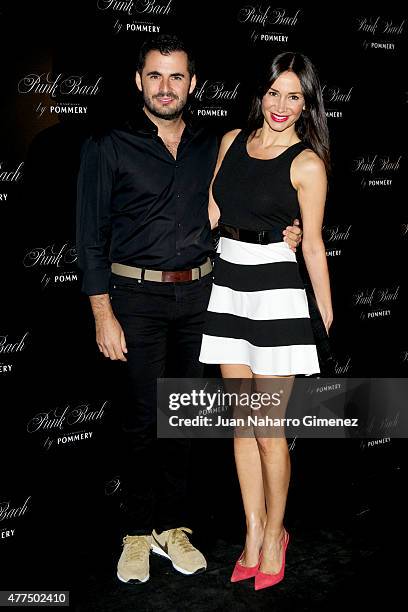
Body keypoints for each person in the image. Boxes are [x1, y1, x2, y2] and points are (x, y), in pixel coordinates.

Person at [76, 34, 303, 585]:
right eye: (155, 75)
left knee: (183, 417)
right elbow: (90, 233)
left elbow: (253, 197)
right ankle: (136, 532)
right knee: (139, 420)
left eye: (176, 77)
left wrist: (286, 234)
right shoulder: (108, 145)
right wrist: (102, 312)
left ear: (192, 84)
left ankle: (174, 527)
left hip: (203, 296)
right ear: (139, 81)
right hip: (134, 300)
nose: (166, 87)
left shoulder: (214, 145)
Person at [199, 51, 333, 590]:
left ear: (306, 103)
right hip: (230, 285)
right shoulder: (232, 142)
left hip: (277, 293)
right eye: (274, 93)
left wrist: (322, 315)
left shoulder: (308, 164)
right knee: (242, 426)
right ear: (261, 93)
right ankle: (252, 531)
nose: (280, 106)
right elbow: (213, 207)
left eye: (294, 96)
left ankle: (277, 531)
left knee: (270, 430)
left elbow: (316, 246)